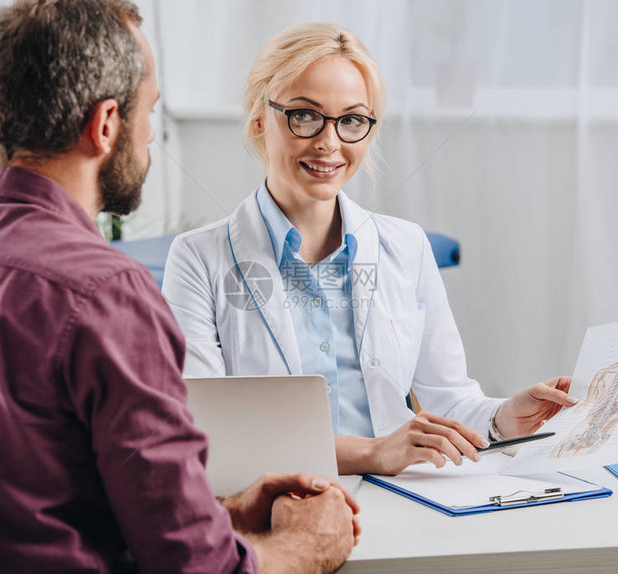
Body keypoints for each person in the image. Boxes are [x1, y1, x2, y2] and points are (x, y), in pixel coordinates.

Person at [0, 3, 359, 573]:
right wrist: (309, 545)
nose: (150, 132)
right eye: (147, 110)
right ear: (105, 125)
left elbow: (20, 504)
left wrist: (219, 511)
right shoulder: (103, 292)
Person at [162, 22, 578, 476]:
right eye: (304, 115)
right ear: (259, 117)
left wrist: (503, 421)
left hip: (399, 500)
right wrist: (374, 453)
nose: (329, 142)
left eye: (352, 120)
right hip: (269, 503)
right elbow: (204, 429)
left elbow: (450, 400)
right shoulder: (198, 259)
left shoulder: (408, 246)